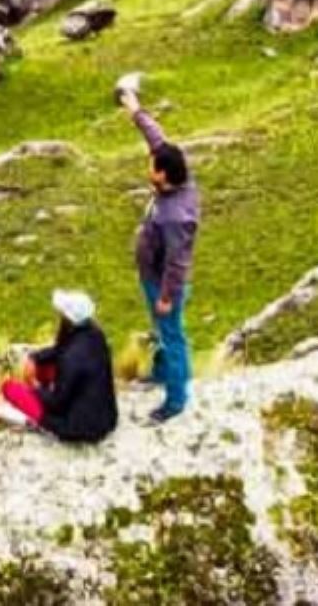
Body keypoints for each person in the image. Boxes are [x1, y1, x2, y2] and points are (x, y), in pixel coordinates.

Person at [121, 84, 199, 423]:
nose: (148, 165)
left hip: (163, 282)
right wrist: (136, 111)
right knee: (162, 328)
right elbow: (158, 139)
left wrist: (166, 295)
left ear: (163, 175)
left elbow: (177, 262)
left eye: (152, 166)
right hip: (152, 276)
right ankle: (163, 372)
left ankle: (176, 400)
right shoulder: (175, 174)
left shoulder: (175, 216)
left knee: (171, 333)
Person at [0, 290, 117, 443]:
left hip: (77, 429)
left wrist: (34, 387)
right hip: (106, 419)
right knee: (46, 367)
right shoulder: (96, 336)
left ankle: (33, 421)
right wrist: (34, 358)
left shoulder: (70, 358)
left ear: (67, 319)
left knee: (10, 389)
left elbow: (56, 404)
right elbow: (59, 350)